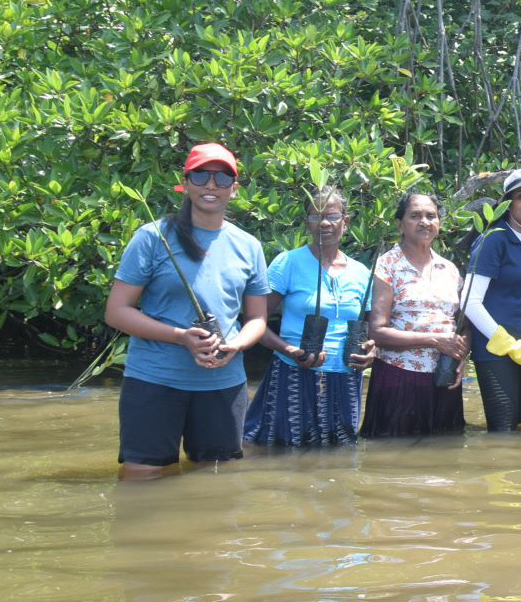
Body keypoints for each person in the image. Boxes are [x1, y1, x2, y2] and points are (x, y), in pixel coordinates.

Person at [104, 142, 269, 479]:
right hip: (154, 378)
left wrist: (237, 344)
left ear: (234, 189)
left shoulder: (248, 246)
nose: (212, 185)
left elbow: (257, 319)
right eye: (202, 176)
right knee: (142, 476)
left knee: (215, 479)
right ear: (186, 183)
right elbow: (117, 312)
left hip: (223, 382)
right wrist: (181, 337)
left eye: (223, 179)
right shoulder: (153, 237)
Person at [244, 185, 376, 446]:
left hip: (345, 376)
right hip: (294, 371)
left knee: (341, 453)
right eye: (315, 216)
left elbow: (370, 328)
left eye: (332, 216)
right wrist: (289, 349)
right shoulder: (287, 263)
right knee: (283, 449)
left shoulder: (362, 273)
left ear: (345, 222)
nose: (324, 223)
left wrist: (373, 351)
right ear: (307, 222)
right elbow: (255, 322)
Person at [360, 192, 468, 437]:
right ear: (400, 224)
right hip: (400, 376)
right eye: (415, 216)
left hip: (445, 375)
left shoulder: (449, 269)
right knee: (392, 455)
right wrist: (434, 340)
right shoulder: (387, 265)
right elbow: (377, 331)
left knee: (445, 454)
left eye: (431, 216)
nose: (425, 222)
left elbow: (463, 325)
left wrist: (462, 356)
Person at [461, 169, 521, 432]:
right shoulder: (494, 239)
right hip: (495, 349)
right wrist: (506, 343)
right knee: (502, 430)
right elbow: (469, 300)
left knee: (517, 423)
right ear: (508, 202)